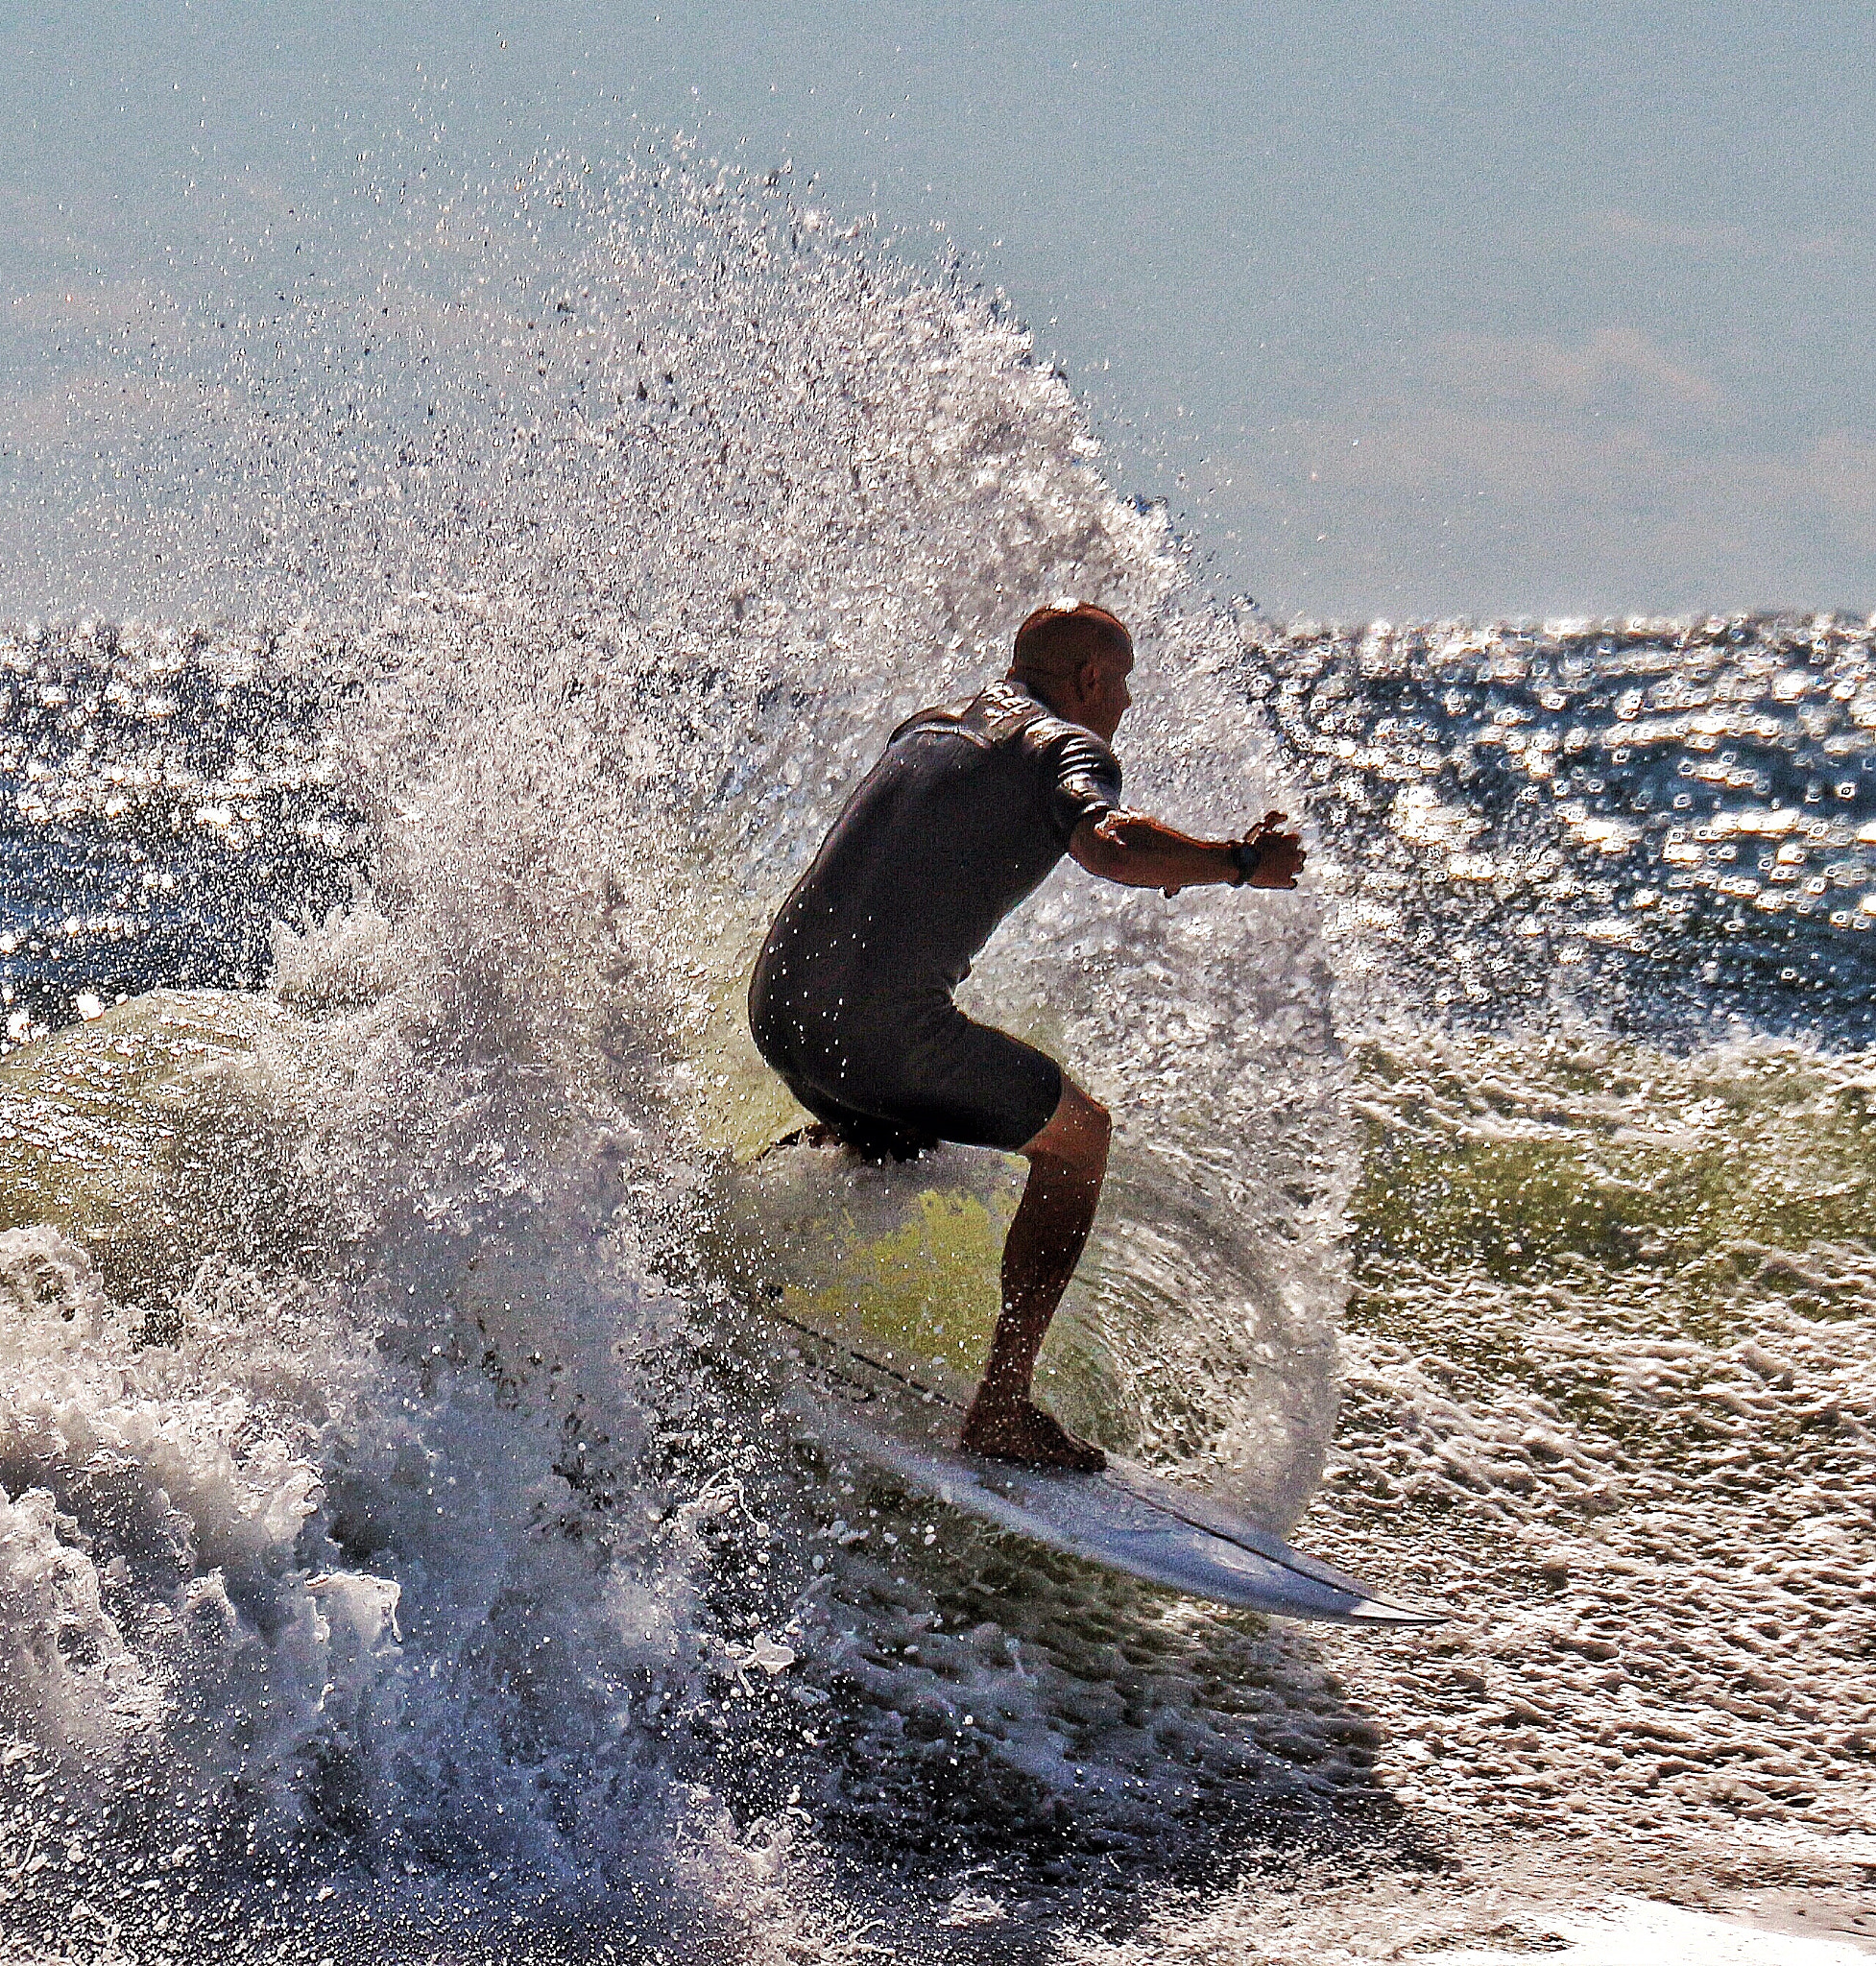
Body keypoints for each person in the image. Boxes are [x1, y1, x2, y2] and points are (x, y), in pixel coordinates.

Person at [747, 602, 1305, 1471]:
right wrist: (1239, 864)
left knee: (886, 1134)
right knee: (1081, 1137)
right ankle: (1002, 1408)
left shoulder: (930, 728)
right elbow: (1114, 845)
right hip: (882, 1027)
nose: (1124, 704)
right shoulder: (1064, 745)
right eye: (1120, 684)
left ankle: (721, 1251)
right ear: (1089, 678)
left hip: (780, 1006)